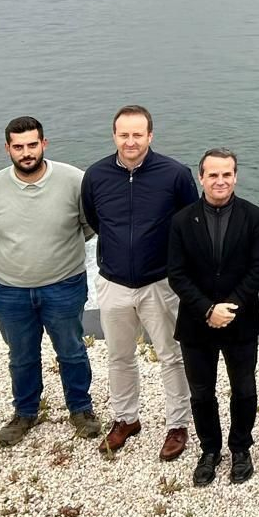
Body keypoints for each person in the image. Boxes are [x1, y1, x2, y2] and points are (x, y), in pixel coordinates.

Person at [82, 105, 199, 460]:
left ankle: (177, 425)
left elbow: (190, 223)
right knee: (119, 355)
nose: (130, 141)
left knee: (171, 355)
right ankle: (125, 419)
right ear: (114, 135)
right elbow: (95, 220)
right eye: (124, 134)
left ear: (150, 135)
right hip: (114, 283)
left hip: (161, 283)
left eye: (137, 134)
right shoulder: (96, 176)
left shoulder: (175, 175)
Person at [0, 115, 98, 448]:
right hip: (10, 290)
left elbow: (89, 225)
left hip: (64, 284)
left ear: (44, 144)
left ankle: (81, 409)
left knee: (72, 351)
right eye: (18, 147)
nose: (26, 153)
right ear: (7, 149)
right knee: (21, 356)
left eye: (32, 145)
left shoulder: (74, 181)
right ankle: (25, 412)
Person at [166, 149, 259, 487]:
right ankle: (209, 450)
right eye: (213, 175)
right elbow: (177, 274)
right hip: (196, 323)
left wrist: (229, 307)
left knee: (244, 389)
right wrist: (208, 309)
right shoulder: (182, 220)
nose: (220, 181)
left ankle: (241, 448)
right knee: (201, 393)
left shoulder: (253, 216)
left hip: (241, 321)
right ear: (201, 178)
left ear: (235, 176)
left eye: (226, 174)